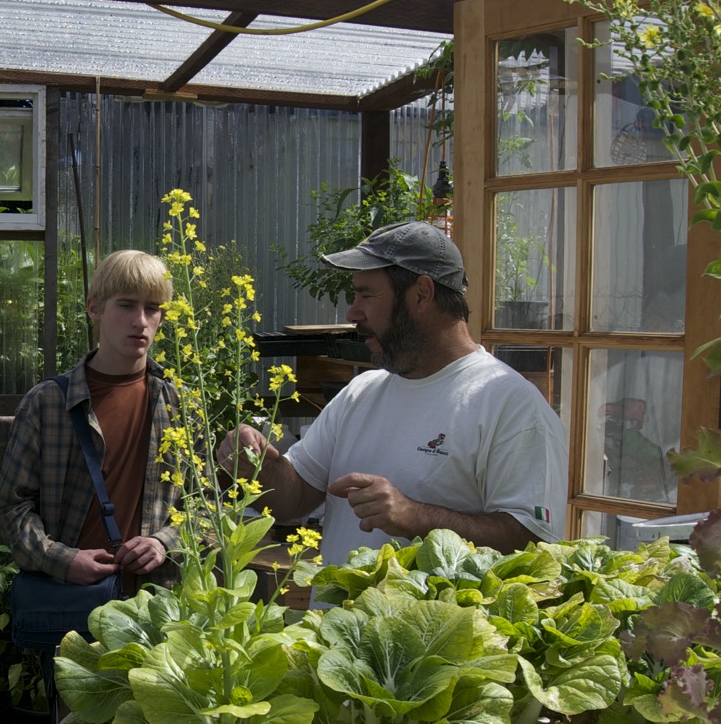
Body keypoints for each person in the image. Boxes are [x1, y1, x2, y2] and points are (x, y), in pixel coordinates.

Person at [221, 221, 563, 563]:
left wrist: (415, 517)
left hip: (434, 620)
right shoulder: (361, 392)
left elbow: (531, 543)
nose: (352, 312)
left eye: (366, 295)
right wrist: (258, 466)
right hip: (342, 619)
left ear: (422, 294)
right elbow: (292, 500)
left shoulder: (509, 404)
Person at [0, 249, 182, 590]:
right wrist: (61, 559)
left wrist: (163, 542)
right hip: (69, 606)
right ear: (94, 308)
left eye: (152, 308)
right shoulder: (48, 403)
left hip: (158, 606)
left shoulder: (179, 403)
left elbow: (207, 505)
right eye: (126, 305)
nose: (140, 320)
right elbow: (10, 507)